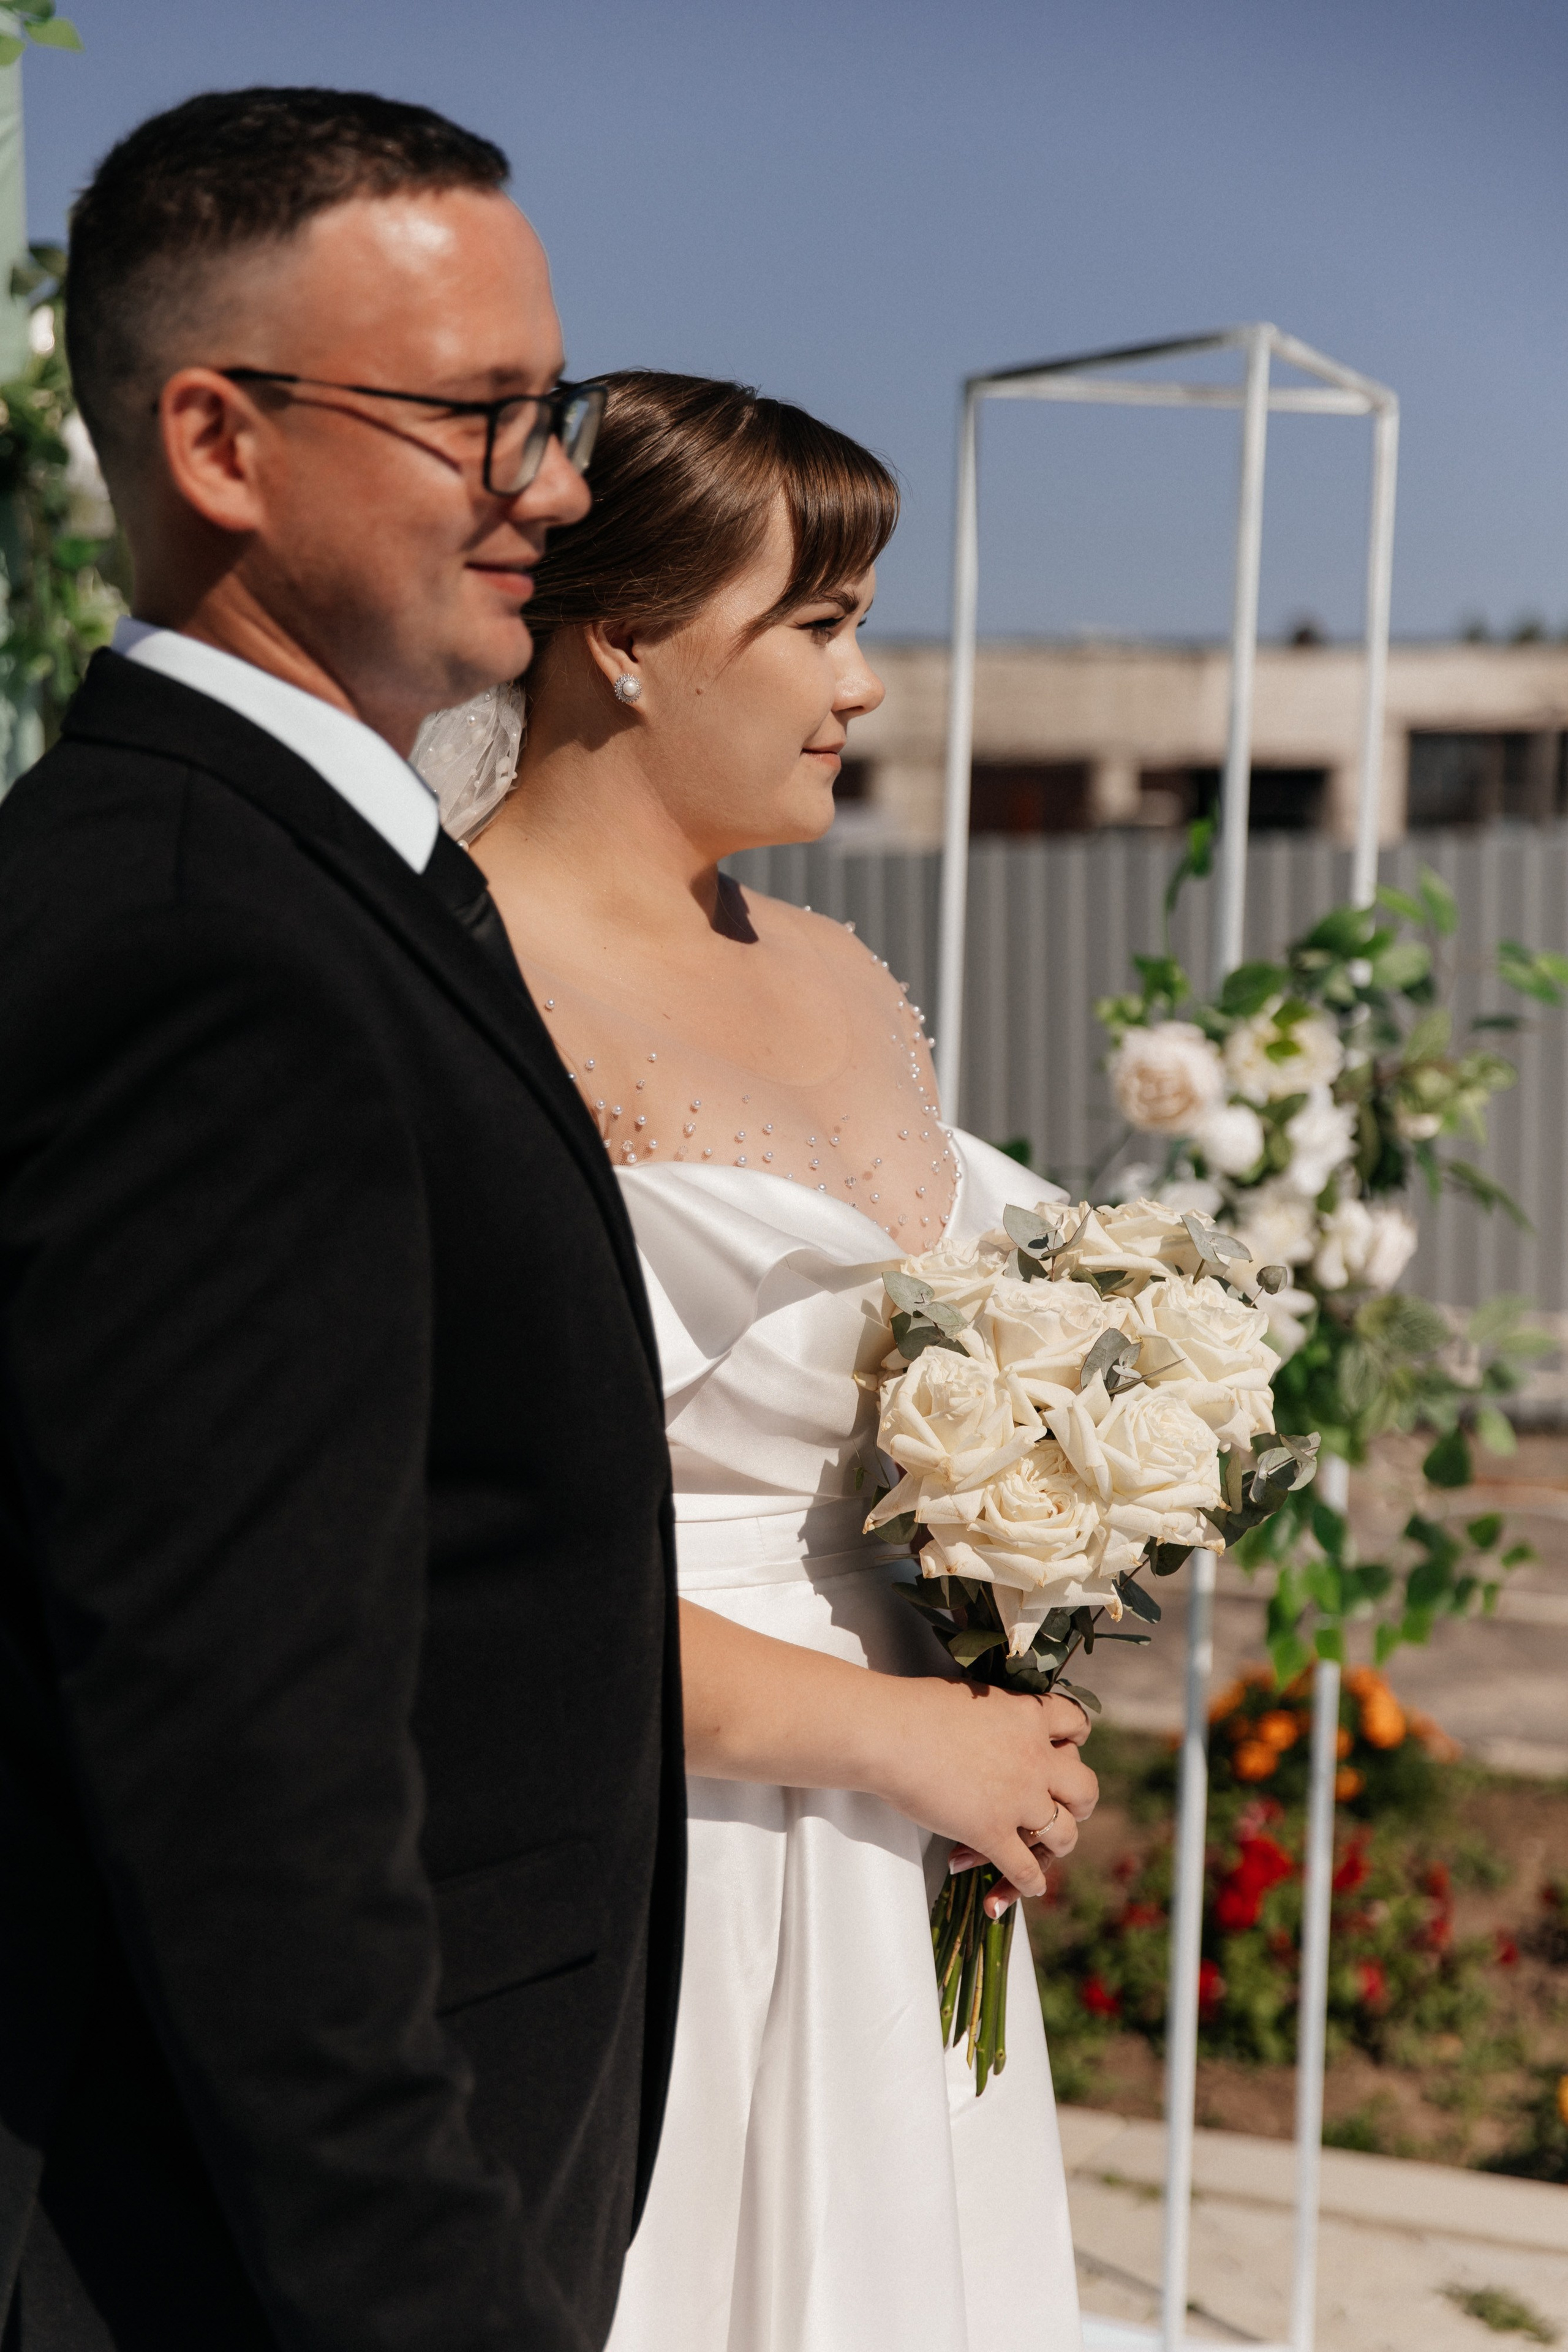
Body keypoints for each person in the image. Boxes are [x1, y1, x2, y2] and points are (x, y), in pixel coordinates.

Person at [0, 92, 682, 2352]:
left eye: (552, 407)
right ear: (217, 439)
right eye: (485, 417)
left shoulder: (308, 879)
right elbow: (244, 1757)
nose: (558, 485)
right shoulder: (206, 941)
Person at [435, 372, 1096, 2352]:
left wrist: (1019, 1643)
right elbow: (443, 1565)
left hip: (908, 1861)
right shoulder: (446, 982)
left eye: (862, 622)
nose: (864, 683)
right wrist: (900, 1736)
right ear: (623, 640)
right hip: (642, 1865)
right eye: (815, 622)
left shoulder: (830, 968)